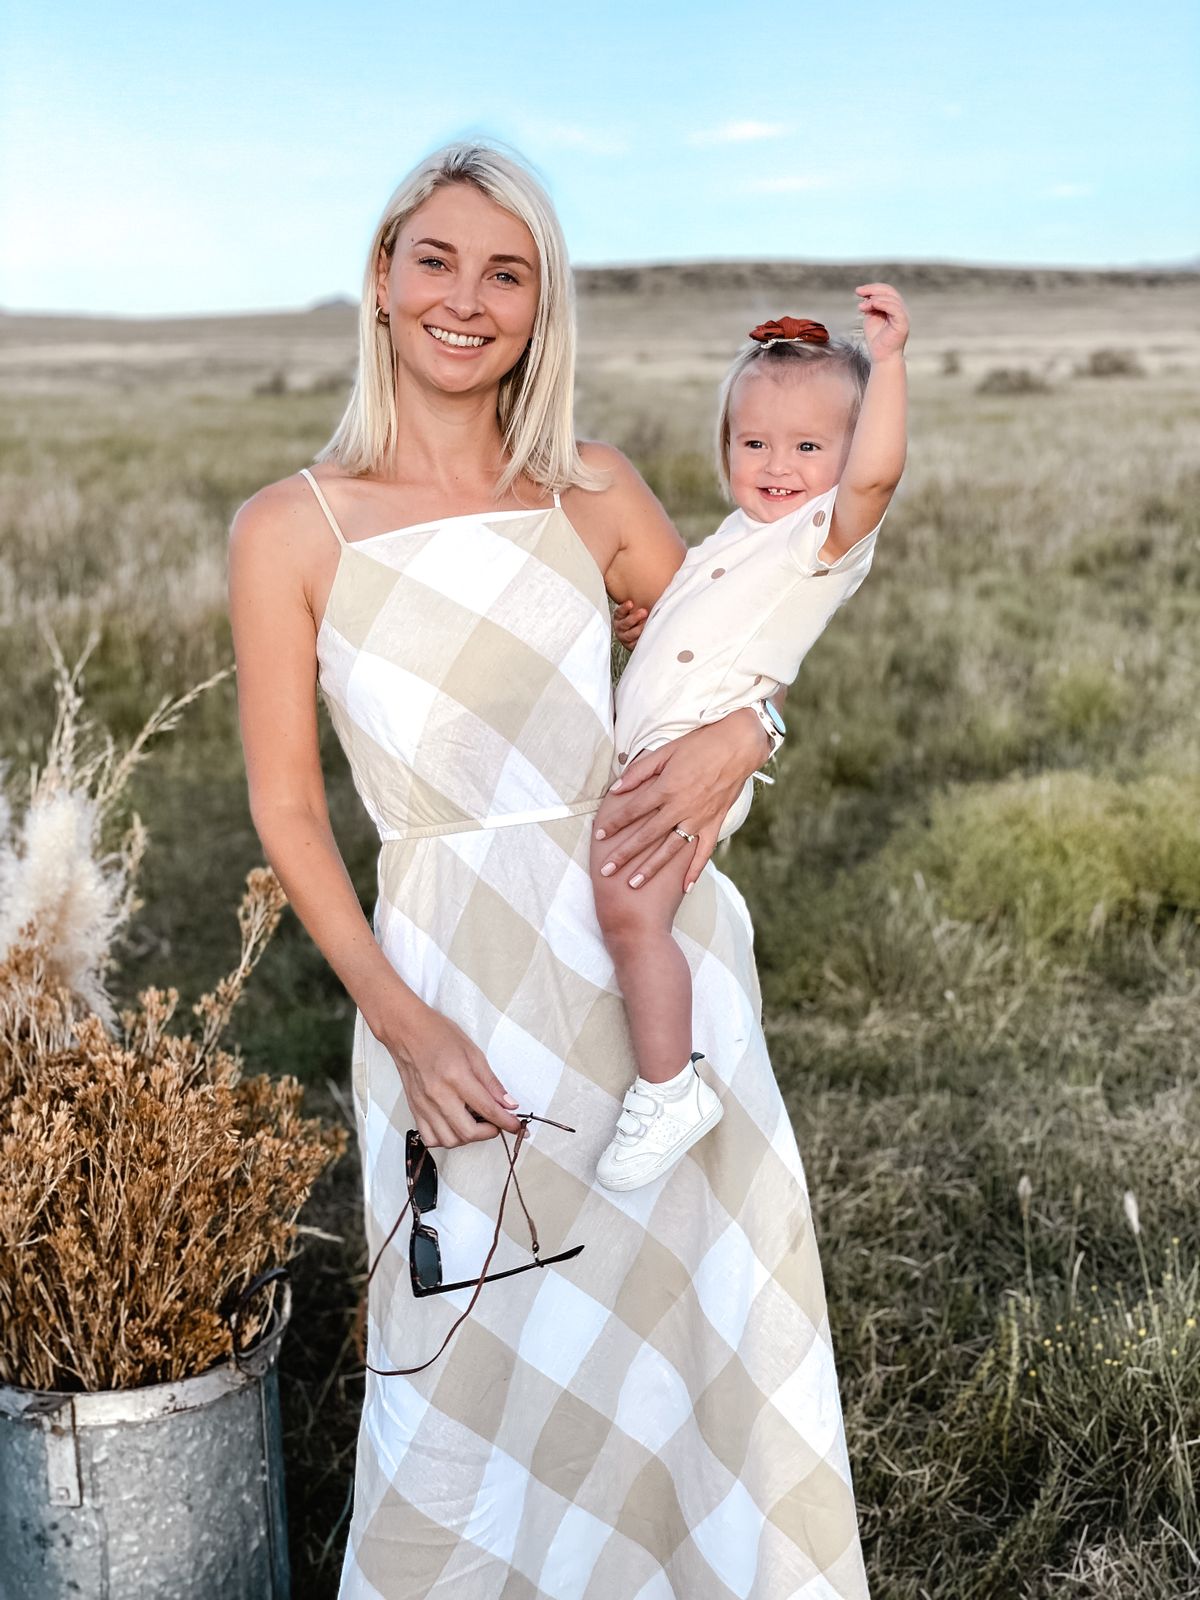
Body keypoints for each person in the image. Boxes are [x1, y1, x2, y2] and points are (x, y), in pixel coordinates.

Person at [228, 140, 872, 1599]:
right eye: (437, 261)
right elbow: (288, 812)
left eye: (506, 273)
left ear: (541, 305)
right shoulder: (291, 528)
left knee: (690, 1328)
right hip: (450, 982)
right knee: (462, 1360)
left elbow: (734, 647)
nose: (467, 299)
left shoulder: (592, 490)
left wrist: (754, 732)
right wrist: (402, 1023)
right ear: (382, 279)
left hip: (656, 972)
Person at [592, 294, 909, 1192]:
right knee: (617, 905)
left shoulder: (820, 538)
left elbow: (877, 481)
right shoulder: (739, 535)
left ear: (848, 458)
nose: (777, 466)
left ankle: (668, 1089)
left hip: (690, 765)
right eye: (755, 442)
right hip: (660, 745)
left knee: (628, 911)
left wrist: (889, 364)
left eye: (809, 447)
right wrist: (649, 627)